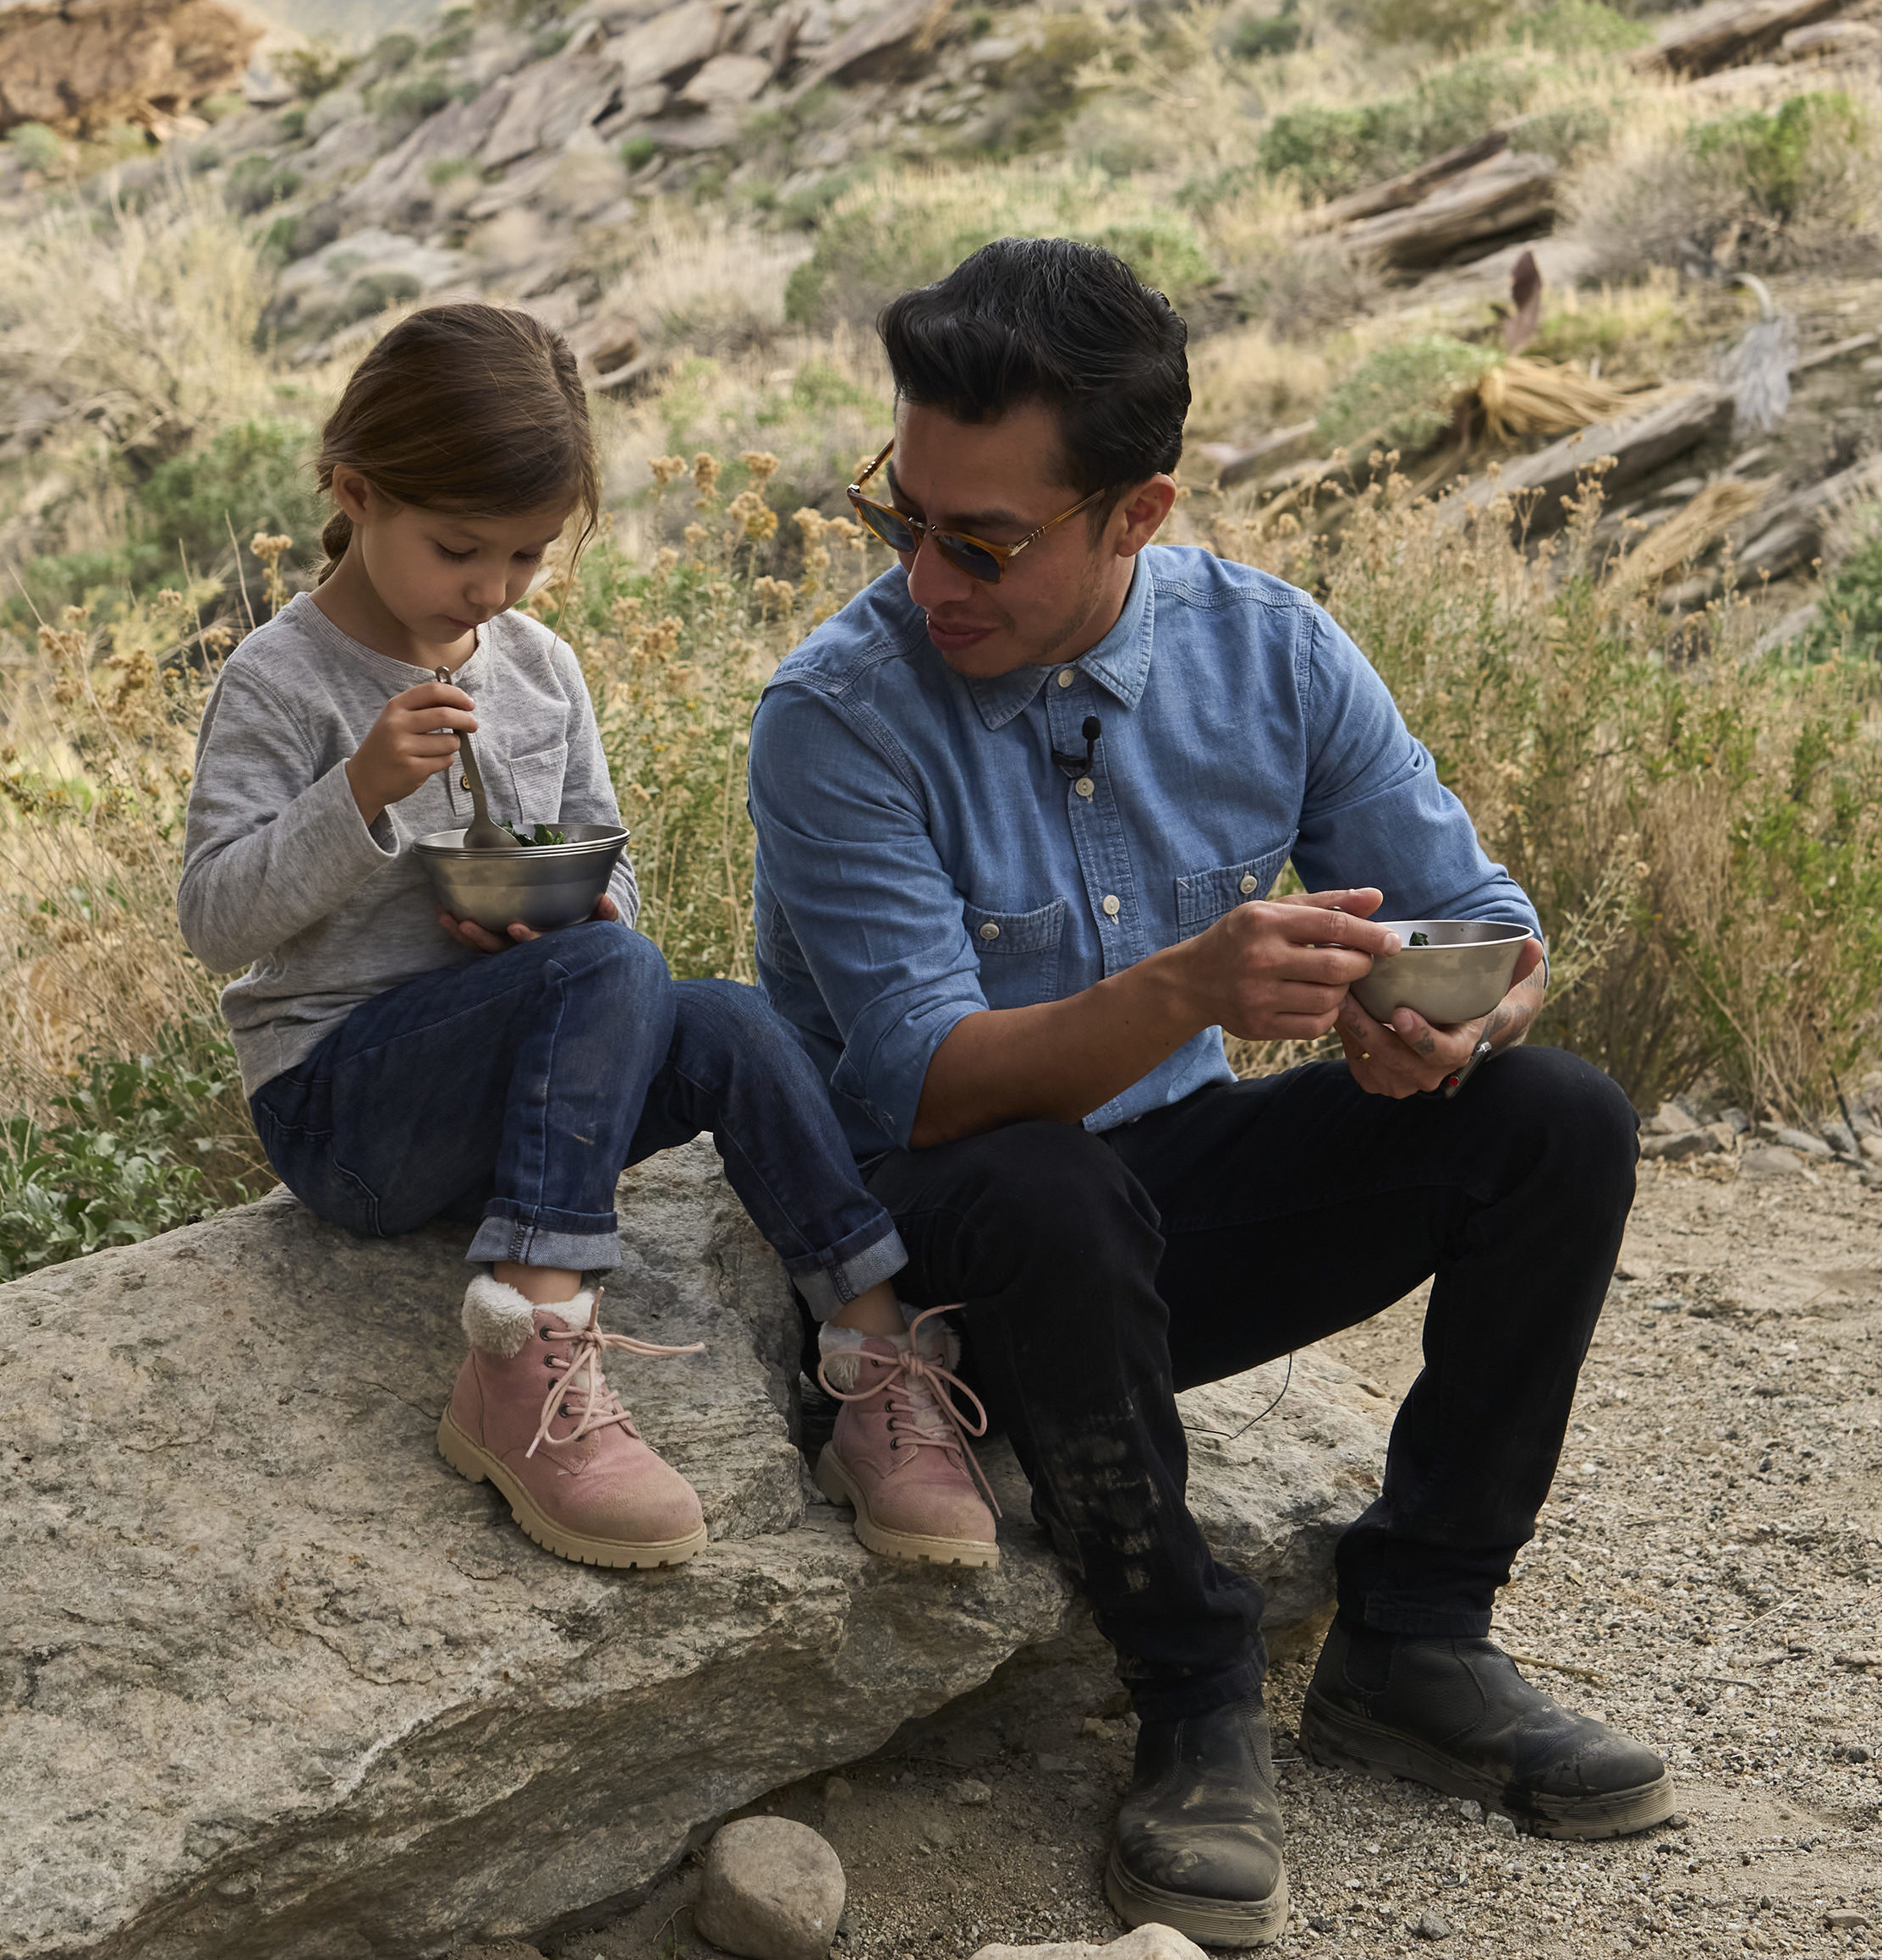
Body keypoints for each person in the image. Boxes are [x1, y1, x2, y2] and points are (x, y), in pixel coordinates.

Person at [745, 239, 1671, 1948]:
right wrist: (1188, 985)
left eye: (984, 540)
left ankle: (1413, 1640)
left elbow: (1495, 929)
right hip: (935, 1249)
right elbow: (928, 1090)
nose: (927, 575)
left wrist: (1445, 1021)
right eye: (902, 515)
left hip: (1154, 1207)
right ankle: (1186, 1683)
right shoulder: (836, 718)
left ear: (1135, 514)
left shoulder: (1268, 652)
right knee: (1043, 1186)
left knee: (1555, 1125)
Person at [178, 300, 995, 1577]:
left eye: (527, 556)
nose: (494, 590)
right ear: (355, 489)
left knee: (726, 1015)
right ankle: (523, 1357)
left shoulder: (538, 667)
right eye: (461, 550)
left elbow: (601, 869)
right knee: (619, 971)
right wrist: (358, 798)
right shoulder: (283, 677)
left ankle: (875, 1356)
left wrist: (573, 913)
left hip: (508, 1097)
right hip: (345, 1109)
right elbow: (212, 918)